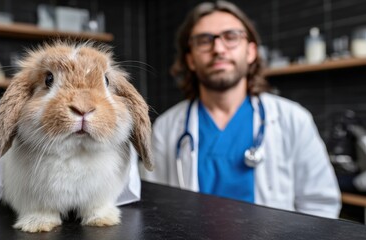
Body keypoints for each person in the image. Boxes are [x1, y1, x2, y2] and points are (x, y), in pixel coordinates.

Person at [141, 1, 341, 219]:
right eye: (204, 41)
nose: (218, 49)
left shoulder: (294, 119)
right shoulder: (166, 128)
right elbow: (154, 206)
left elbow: (321, 206)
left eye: (231, 37)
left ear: (251, 51)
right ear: (190, 59)